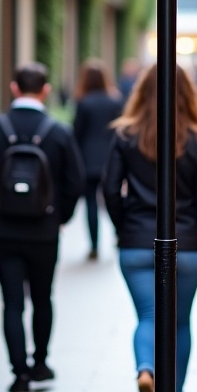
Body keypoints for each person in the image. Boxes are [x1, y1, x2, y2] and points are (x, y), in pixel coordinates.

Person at [102, 63, 197, 392]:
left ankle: (145, 370)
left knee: (148, 316)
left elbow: (109, 189)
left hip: (137, 244)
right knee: (180, 324)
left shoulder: (124, 136)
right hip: (187, 247)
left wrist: (124, 226)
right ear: (189, 95)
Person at [0, 62, 84, 392]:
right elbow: (74, 183)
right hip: (44, 232)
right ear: (46, 90)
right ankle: (40, 363)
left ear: (13, 88)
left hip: (3, 231)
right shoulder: (58, 132)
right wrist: (60, 217)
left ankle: (18, 375)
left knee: (12, 303)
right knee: (43, 298)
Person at [72, 59, 124, 259]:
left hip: (88, 161)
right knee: (113, 197)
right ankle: (118, 233)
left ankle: (94, 245)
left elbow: (77, 133)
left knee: (91, 204)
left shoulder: (83, 102)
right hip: (112, 159)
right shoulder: (115, 101)